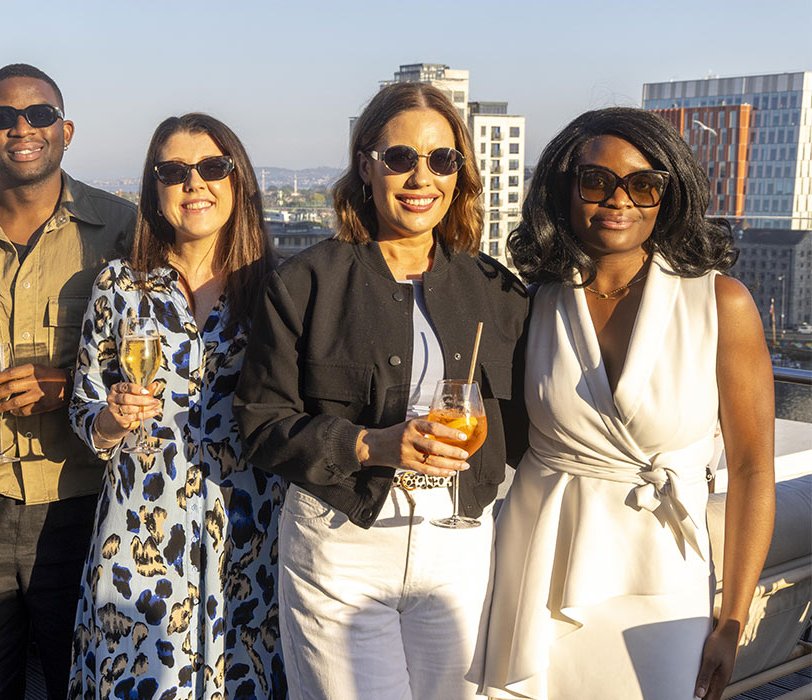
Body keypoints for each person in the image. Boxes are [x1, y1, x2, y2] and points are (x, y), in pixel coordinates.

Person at [233, 82, 529, 700]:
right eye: (400, 158)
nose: (421, 177)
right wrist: (372, 445)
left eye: (441, 159)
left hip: (458, 545)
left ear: (460, 172)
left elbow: (530, 428)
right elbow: (260, 424)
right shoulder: (304, 283)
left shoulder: (497, 292)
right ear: (366, 164)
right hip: (342, 543)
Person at [478, 108, 775, 700]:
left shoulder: (721, 304)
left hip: (663, 578)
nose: (619, 200)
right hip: (537, 566)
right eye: (596, 181)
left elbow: (750, 470)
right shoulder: (531, 306)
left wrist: (732, 618)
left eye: (643, 184)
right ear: (563, 189)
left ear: (669, 196)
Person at [0, 62, 136, 699]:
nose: (22, 128)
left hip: (87, 500)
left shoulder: (122, 231)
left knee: (90, 684)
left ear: (65, 130)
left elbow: (156, 360)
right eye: (3, 118)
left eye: (38, 115)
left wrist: (69, 387)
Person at [67, 113, 286, 699]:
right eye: (174, 172)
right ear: (153, 187)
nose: (195, 184)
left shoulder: (277, 289)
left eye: (213, 168)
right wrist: (111, 419)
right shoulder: (118, 285)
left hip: (248, 528)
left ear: (238, 180)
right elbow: (84, 406)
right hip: (140, 529)